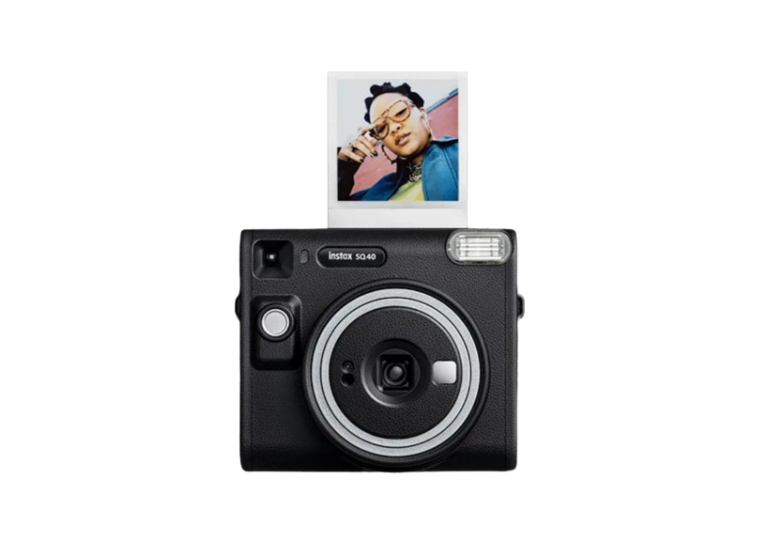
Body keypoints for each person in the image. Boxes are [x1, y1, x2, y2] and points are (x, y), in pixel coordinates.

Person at [338, 82, 459, 201]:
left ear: (423, 114)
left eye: (400, 112)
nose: (393, 128)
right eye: (381, 128)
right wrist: (344, 167)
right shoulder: (374, 195)